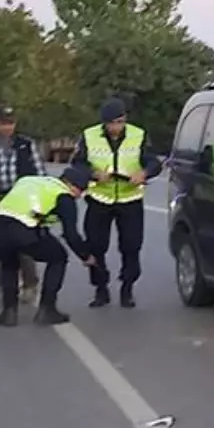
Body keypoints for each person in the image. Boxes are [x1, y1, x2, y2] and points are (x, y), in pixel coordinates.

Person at [70, 97, 162, 309]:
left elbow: (153, 161)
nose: (115, 127)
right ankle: (101, 288)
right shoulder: (89, 135)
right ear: (104, 122)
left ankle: (127, 288)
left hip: (130, 198)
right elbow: (78, 163)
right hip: (100, 198)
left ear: (125, 119)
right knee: (96, 245)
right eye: (111, 123)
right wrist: (93, 173)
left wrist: (145, 173)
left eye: (120, 122)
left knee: (131, 246)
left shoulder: (139, 134)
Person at [0, 167, 95, 327]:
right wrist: (86, 256)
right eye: (81, 191)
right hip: (22, 231)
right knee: (58, 257)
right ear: (74, 186)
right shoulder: (64, 196)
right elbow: (71, 235)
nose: (80, 196)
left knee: (9, 265)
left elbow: (28, 207)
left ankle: (9, 313)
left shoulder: (28, 180)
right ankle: (47, 310)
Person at [0, 105, 46, 306]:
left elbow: (40, 172)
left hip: (22, 200)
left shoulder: (25, 144)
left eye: (11, 123)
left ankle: (30, 286)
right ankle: (5, 290)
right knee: (0, 248)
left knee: (25, 246)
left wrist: (39, 200)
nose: (8, 127)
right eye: (4, 123)